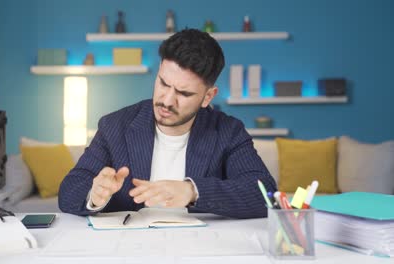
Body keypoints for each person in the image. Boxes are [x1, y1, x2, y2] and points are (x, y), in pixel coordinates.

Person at [58, 28, 276, 219]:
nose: (167, 100)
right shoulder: (115, 126)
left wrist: (193, 191)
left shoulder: (228, 131)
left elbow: (264, 193)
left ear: (208, 97)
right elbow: (69, 190)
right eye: (163, 83)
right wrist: (94, 195)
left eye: (184, 93)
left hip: (201, 248)